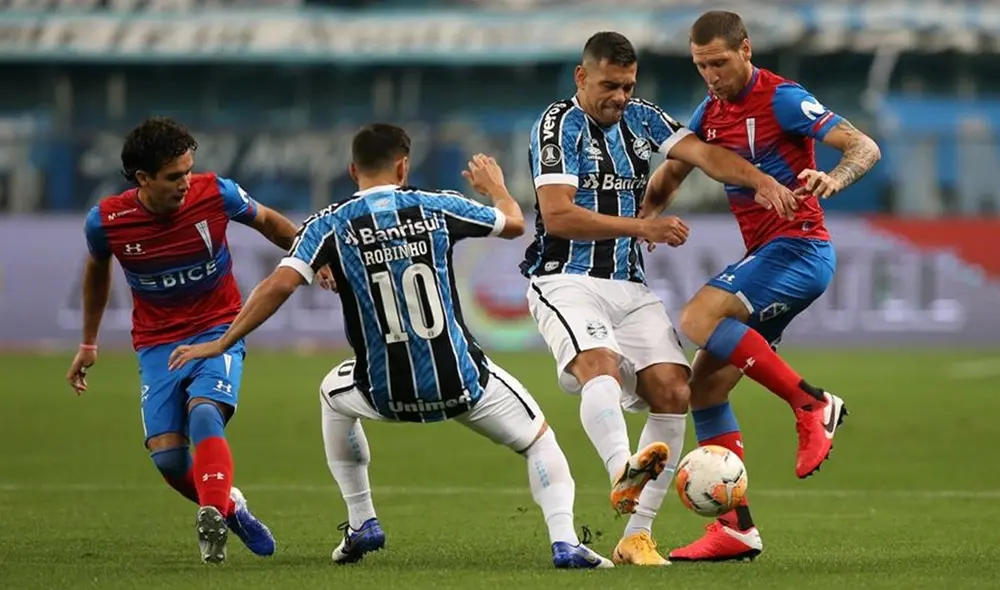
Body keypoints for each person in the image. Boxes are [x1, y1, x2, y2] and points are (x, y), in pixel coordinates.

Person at [167, 123, 615, 569]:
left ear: (351, 170)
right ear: (403, 167)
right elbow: (515, 224)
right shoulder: (436, 205)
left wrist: (223, 341)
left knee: (331, 394)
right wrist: (496, 187)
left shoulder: (329, 223)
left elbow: (279, 285)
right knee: (539, 441)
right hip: (461, 382)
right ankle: (564, 541)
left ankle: (362, 519)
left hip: (382, 391)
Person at [521, 31, 800, 566]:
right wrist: (641, 227)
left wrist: (760, 180)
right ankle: (621, 470)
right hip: (565, 279)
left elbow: (705, 155)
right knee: (599, 364)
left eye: (627, 86)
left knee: (675, 390)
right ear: (582, 77)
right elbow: (557, 215)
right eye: (609, 86)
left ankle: (636, 537)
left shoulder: (643, 118)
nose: (620, 97)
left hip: (630, 284)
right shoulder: (557, 126)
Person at [640, 10, 882, 562]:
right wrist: (642, 221)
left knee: (697, 318)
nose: (711, 76)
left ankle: (812, 403)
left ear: (745, 50)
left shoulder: (782, 98)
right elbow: (672, 172)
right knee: (704, 388)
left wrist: (833, 177)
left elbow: (864, 146)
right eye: (701, 66)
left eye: (720, 63)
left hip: (799, 248)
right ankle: (736, 528)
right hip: (767, 255)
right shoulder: (709, 112)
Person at [64, 117, 327, 563]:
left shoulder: (216, 193)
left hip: (219, 327)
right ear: (143, 178)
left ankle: (211, 512)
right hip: (157, 342)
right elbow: (96, 272)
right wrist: (88, 343)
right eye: (173, 176)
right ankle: (230, 506)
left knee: (205, 412)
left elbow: (268, 222)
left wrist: (315, 259)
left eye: (188, 170)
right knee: (168, 459)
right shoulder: (107, 222)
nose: (186, 182)